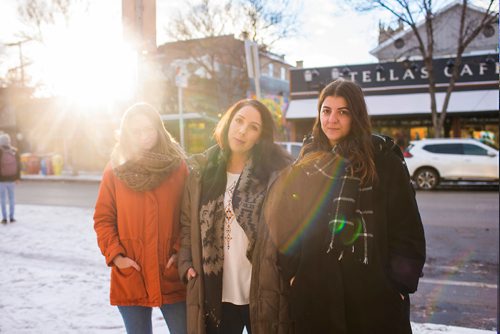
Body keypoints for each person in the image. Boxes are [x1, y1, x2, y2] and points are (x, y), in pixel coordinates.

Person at [263, 78, 426, 333]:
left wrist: (399, 285)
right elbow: (286, 223)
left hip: (374, 294)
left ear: (356, 116)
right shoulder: (306, 163)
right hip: (316, 291)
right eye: (326, 111)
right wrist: (294, 273)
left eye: (343, 112)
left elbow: (407, 228)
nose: (332, 120)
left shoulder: (384, 162)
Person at [178, 99, 292, 334]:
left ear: (260, 136)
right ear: (228, 121)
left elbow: (290, 229)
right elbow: (187, 224)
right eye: (239, 121)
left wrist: (290, 271)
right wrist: (186, 262)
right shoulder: (203, 171)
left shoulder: (272, 175)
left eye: (253, 127)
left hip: (260, 289)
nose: (242, 130)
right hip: (215, 290)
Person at [93, 103, 188, 334]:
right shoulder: (116, 168)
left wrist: (179, 252)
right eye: (137, 131)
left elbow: (190, 217)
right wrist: (117, 257)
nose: (145, 136)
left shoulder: (178, 166)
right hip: (131, 273)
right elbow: (103, 218)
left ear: (159, 128)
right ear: (127, 134)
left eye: (149, 129)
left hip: (171, 270)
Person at [0, 133, 21, 224]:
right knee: (12, 198)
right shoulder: (15, 151)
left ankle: (4, 219)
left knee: (2, 199)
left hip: (1, 179)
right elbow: (19, 166)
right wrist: (18, 178)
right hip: (12, 179)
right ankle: (12, 218)